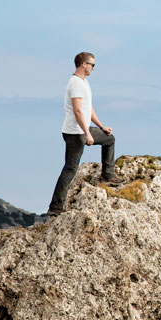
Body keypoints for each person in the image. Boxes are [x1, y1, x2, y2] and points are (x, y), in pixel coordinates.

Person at [47, 51, 123, 216]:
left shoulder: (84, 82)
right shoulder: (75, 83)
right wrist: (87, 133)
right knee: (70, 169)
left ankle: (108, 175)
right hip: (75, 133)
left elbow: (88, 109)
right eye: (92, 65)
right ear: (83, 64)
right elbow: (78, 111)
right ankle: (55, 208)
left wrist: (101, 126)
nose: (93, 68)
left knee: (109, 139)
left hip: (82, 130)